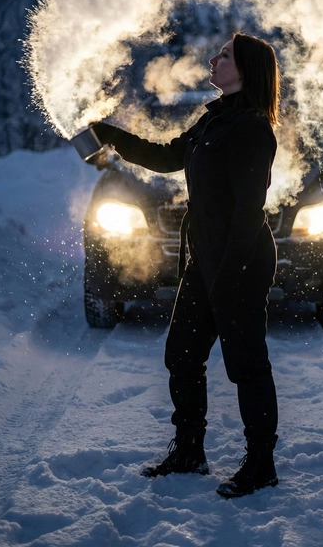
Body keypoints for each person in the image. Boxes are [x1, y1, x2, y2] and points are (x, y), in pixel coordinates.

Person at [90, 32, 280, 498]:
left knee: (246, 364)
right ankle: (189, 450)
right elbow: (167, 156)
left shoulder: (252, 129)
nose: (213, 60)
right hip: (205, 259)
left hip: (239, 261)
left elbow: (248, 212)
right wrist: (109, 134)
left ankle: (261, 464)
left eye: (225, 55)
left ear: (246, 70)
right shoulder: (213, 120)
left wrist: (230, 274)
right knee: (182, 353)